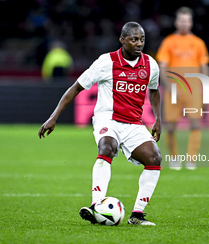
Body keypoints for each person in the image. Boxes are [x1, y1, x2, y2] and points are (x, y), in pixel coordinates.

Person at [38, 22, 162, 226]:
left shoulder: (150, 64)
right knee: (107, 147)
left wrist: (158, 118)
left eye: (142, 39)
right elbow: (76, 87)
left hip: (134, 123)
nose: (139, 43)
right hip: (108, 119)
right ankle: (96, 207)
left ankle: (137, 215)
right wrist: (54, 117)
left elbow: (154, 90)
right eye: (134, 39)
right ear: (122, 40)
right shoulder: (106, 62)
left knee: (154, 158)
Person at [156, 7, 209, 170]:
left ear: (191, 23)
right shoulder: (169, 42)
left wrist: (206, 92)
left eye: (187, 20)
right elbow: (162, 68)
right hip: (173, 90)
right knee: (171, 127)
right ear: (176, 22)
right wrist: (170, 86)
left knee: (195, 125)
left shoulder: (199, 43)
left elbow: (204, 69)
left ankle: (191, 159)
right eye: (181, 20)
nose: (184, 23)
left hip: (193, 90)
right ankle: (174, 158)